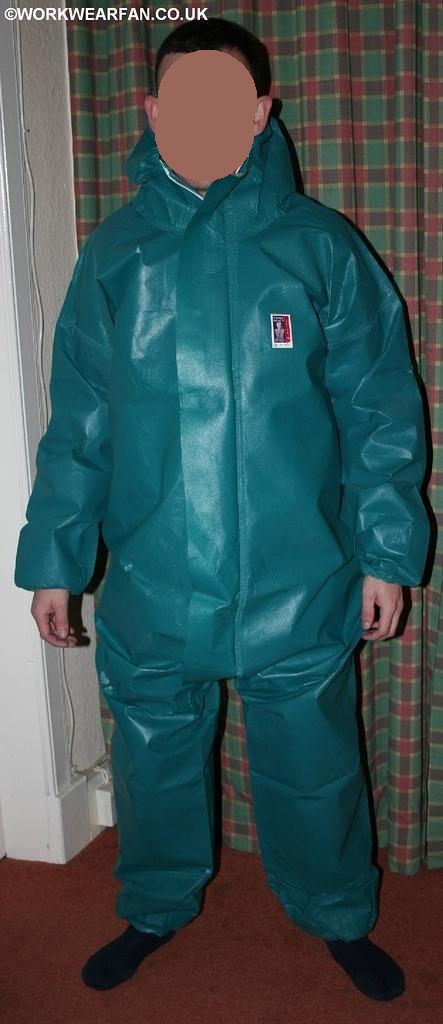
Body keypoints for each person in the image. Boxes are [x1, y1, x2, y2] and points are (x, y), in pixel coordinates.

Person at [15, 17, 429, 1003]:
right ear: (151, 111)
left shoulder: (320, 248)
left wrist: (385, 551)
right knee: (153, 759)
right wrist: (54, 561)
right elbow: (80, 420)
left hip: (299, 573)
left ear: (259, 112)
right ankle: (154, 906)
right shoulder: (116, 256)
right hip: (153, 574)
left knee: (314, 764)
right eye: (183, 101)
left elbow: (379, 410)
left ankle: (336, 912)